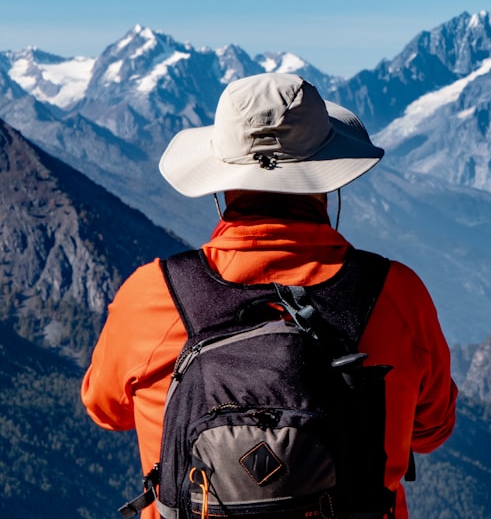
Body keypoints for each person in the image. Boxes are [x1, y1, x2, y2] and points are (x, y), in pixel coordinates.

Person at [81, 72, 458, 519]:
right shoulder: (396, 294)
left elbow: (106, 410)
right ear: (327, 180)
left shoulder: (153, 295)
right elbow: (432, 430)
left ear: (221, 186)